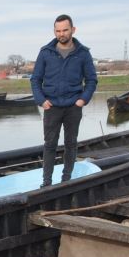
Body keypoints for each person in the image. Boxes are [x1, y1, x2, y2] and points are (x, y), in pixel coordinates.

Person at [31, 14, 98, 187]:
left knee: (71, 143)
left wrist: (82, 100)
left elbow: (91, 80)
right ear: (54, 31)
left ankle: (66, 180)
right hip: (51, 106)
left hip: (73, 106)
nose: (61, 34)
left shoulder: (82, 53)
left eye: (65, 30)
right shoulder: (46, 52)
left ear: (73, 30)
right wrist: (41, 100)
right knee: (50, 144)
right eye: (58, 31)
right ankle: (46, 183)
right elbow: (35, 79)